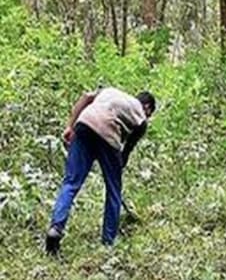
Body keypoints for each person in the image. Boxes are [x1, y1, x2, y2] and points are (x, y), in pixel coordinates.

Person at [45, 87, 156, 254]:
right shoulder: (141, 118)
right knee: (114, 191)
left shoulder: (111, 91)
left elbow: (86, 96)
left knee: (71, 182)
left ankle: (55, 228)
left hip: (84, 123)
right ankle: (108, 243)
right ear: (147, 107)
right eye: (149, 113)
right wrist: (116, 166)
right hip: (108, 134)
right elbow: (126, 150)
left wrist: (70, 127)